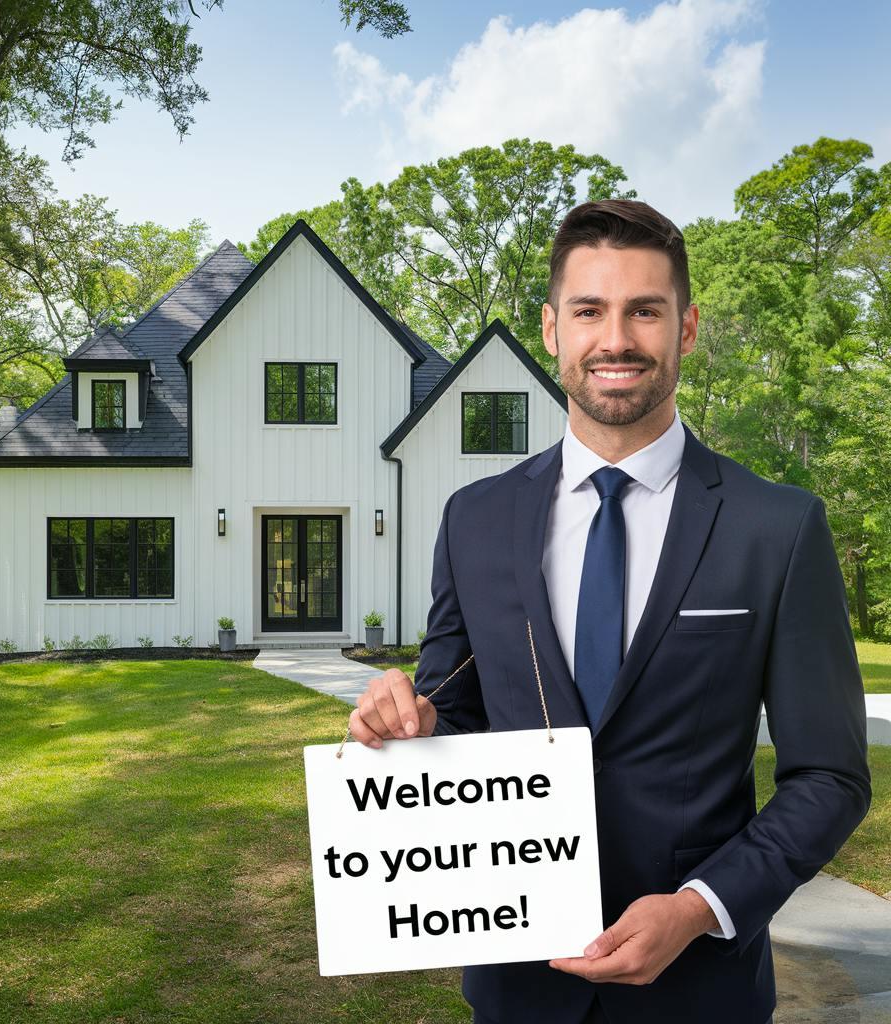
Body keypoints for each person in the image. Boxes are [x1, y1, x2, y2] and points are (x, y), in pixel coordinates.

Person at [346, 199, 871, 1024]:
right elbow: (456, 711)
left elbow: (830, 777)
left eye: (644, 311)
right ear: (553, 329)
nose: (616, 338)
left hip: (701, 991)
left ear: (686, 328)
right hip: (516, 982)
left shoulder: (778, 527)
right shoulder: (472, 519)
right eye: (590, 310)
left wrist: (700, 906)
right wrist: (407, 724)